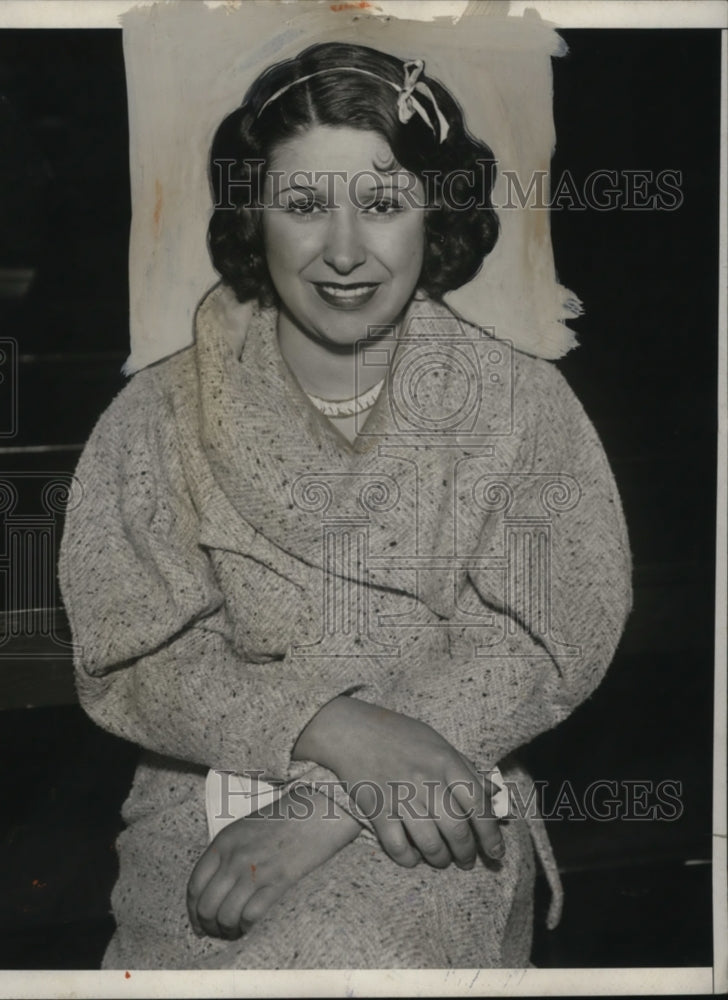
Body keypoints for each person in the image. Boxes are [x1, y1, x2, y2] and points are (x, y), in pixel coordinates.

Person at [58, 41, 632, 970]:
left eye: (381, 204)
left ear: (432, 214)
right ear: (254, 214)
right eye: (303, 205)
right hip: (205, 802)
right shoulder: (156, 414)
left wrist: (333, 800)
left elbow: (547, 633)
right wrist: (331, 728)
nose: (343, 252)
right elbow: (130, 654)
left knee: (349, 951)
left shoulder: (520, 405)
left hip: (443, 793)